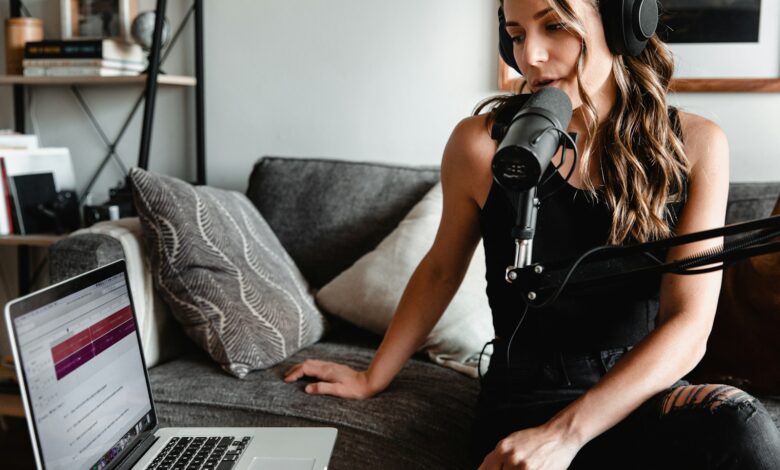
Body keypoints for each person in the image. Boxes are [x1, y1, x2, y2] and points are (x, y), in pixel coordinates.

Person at [285, 0, 780, 468]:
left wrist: (564, 436)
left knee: (742, 428)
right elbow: (440, 270)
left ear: (619, 18)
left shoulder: (695, 145)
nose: (531, 56)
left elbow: (689, 327)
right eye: (516, 35)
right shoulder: (479, 144)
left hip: (643, 392)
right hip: (525, 396)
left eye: (555, 26)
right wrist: (372, 376)